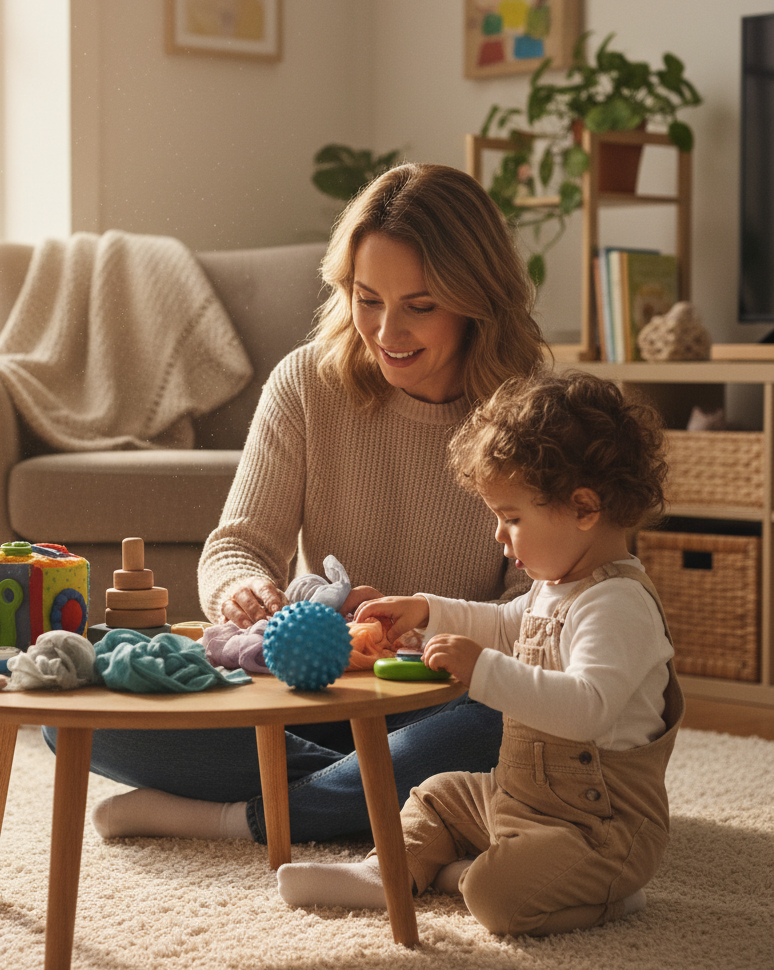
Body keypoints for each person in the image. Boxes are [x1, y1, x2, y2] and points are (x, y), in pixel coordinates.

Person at [44, 162, 547, 844]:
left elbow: (545, 617)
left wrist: (419, 635)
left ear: (478, 299)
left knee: (509, 729)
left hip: (444, 705)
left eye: (420, 306)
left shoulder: (533, 413)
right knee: (70, 711)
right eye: (368, 299)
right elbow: (236, 545)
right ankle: (364, 793)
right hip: (313, 694)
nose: (387, 331)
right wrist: (244, 588)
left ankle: (235, 816)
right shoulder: (308, 384)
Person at [276, 371, 683, 937]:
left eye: (512, 518)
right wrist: (425, 610)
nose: (499, 535)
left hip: (598, 827)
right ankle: (385, 872)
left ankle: (609, 894)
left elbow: (587, 708)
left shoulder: (618, 605)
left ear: (584, 507)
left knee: (496, 899)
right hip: (521, 797)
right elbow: (506, 622)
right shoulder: (557, 584)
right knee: (438, 795)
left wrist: (482, 670)